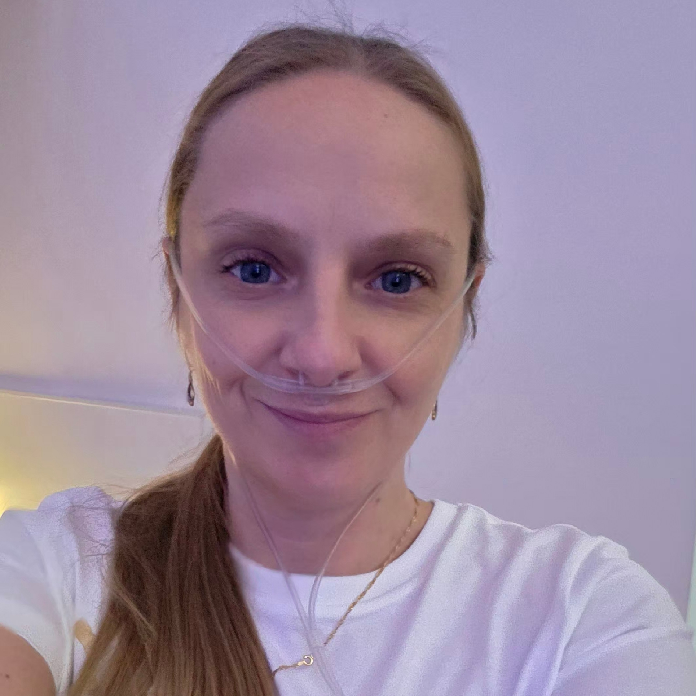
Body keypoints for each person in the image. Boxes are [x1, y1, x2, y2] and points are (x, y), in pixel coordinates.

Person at [1, 21, 695, 696]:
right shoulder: (56, 570)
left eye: (397, 279)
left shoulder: (579, 617)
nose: (322, 354)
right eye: (253, 269)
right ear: (177, 292)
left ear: (464, 308)